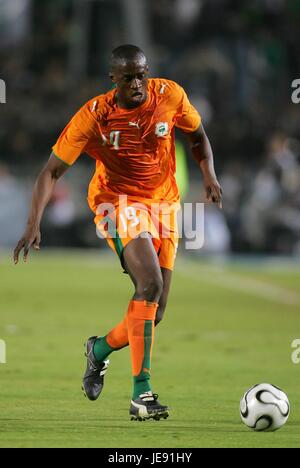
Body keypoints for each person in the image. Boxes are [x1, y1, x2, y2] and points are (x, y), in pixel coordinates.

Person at [14, 44, 222, 421]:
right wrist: (33, 223)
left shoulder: (170, 95)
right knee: (149, 286)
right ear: (114, 79)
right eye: (128, 78)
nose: (138, 83)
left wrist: (208, 174)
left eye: (142, 74)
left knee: (154, 313)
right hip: (117, 202)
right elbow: (51, 172)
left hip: (165, 205)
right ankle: (141, 395)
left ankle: (98, 351)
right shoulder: (94, 116)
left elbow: (197, 136)